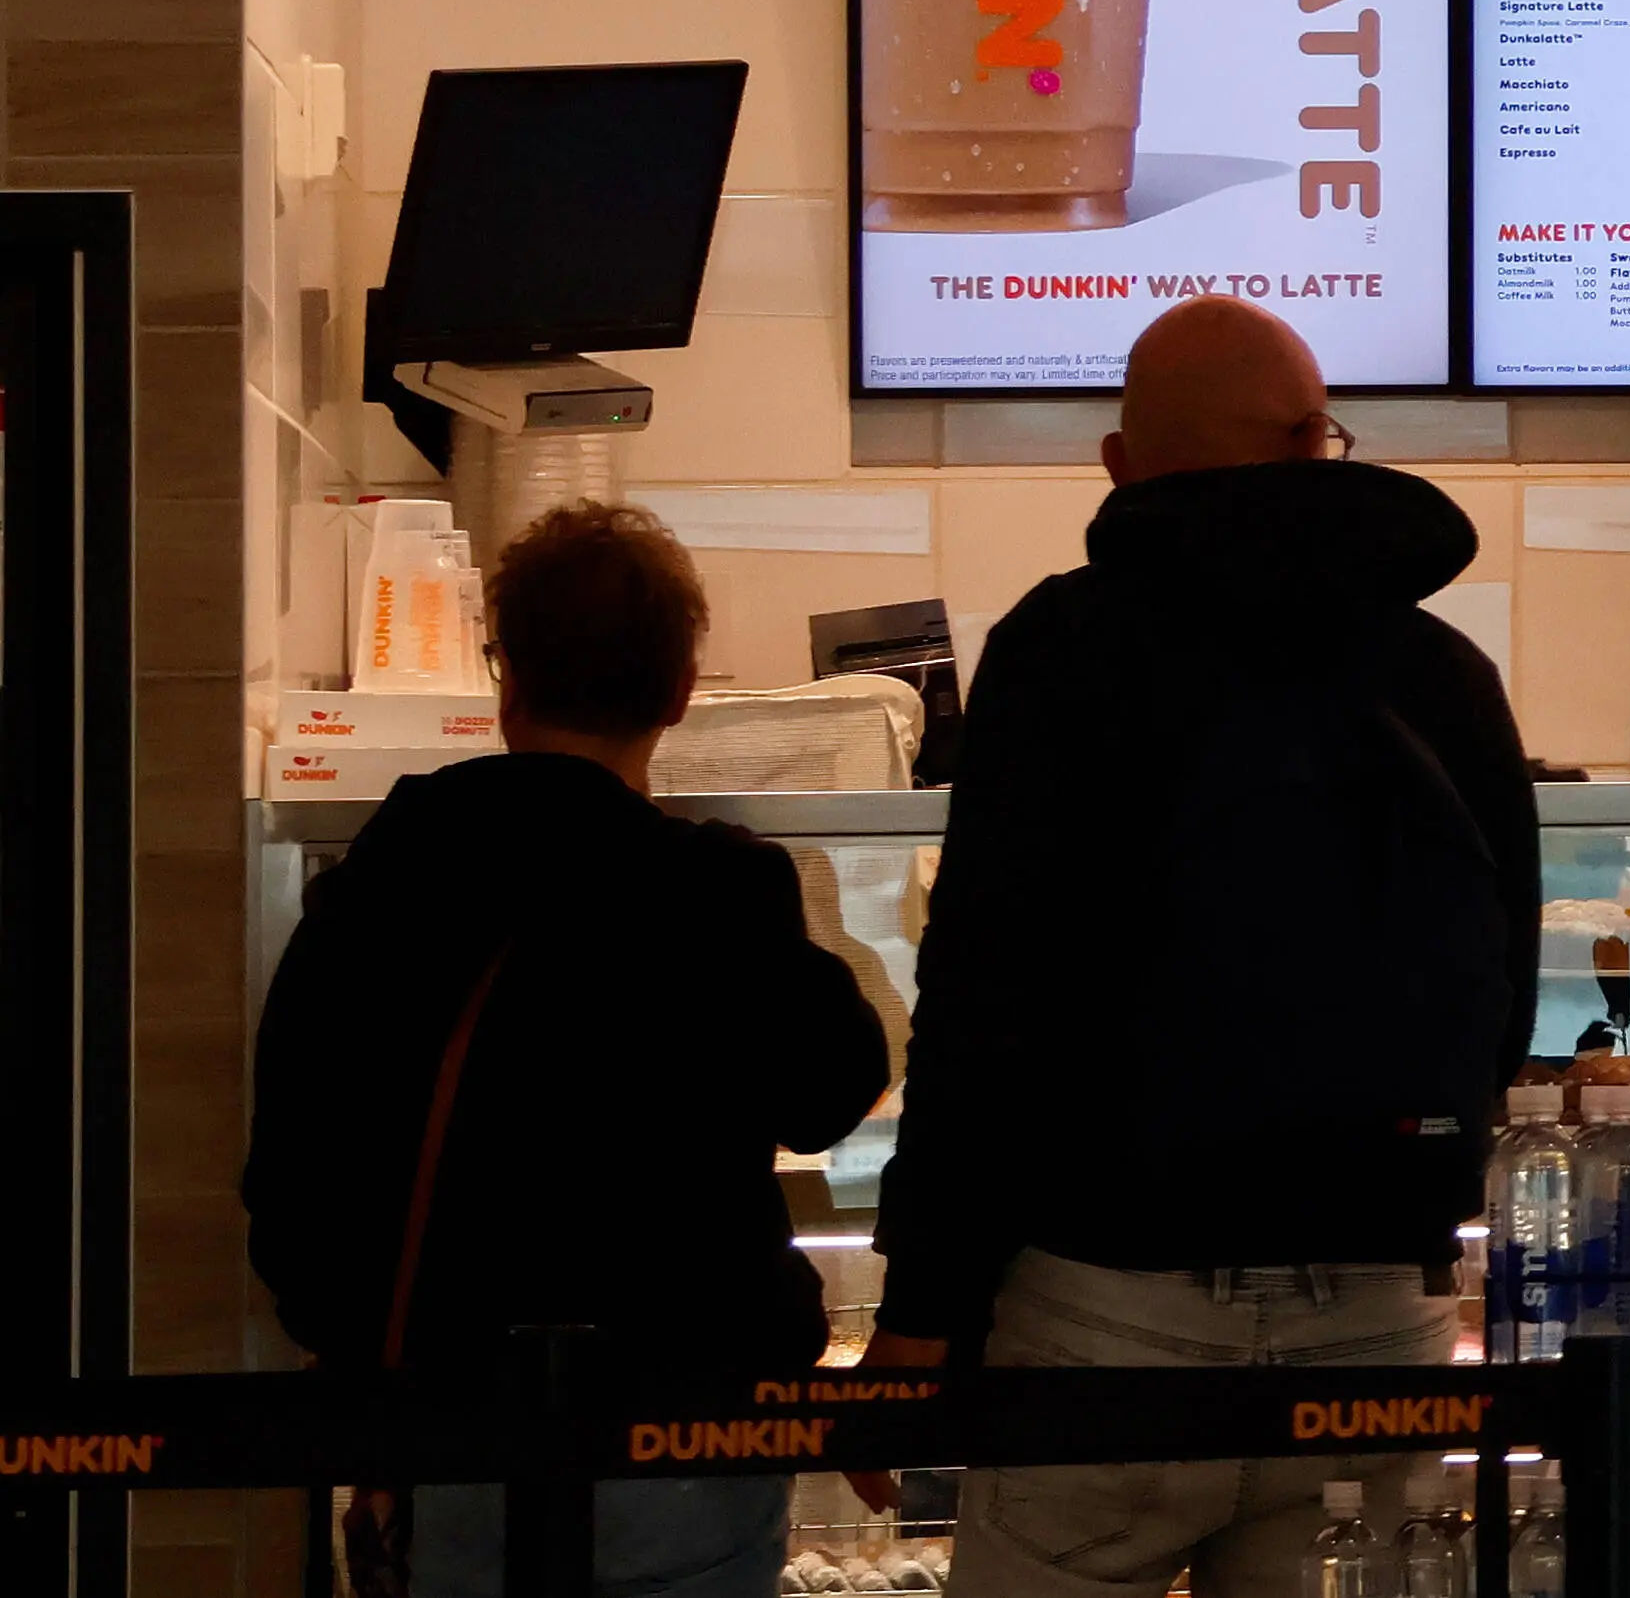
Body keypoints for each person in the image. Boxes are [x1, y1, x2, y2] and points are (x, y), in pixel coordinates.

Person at [871, 297, 1538, 1598]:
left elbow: (985, 1004)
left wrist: (920, 1311)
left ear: (1121, 468)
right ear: (1316, 440)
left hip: (1106, 1321)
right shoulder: (1442, 670)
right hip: (1378, 1331)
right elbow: (1503, 994)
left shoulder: (1064, 650)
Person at [246, 501, 889, 1598]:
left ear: (507, 682)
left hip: (440, 1425)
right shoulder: (716, 890)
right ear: (680, 691)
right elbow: (835, 1087)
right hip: (684, 1438)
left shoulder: (379, 884)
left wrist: (357, 1360)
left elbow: (289, 1167)